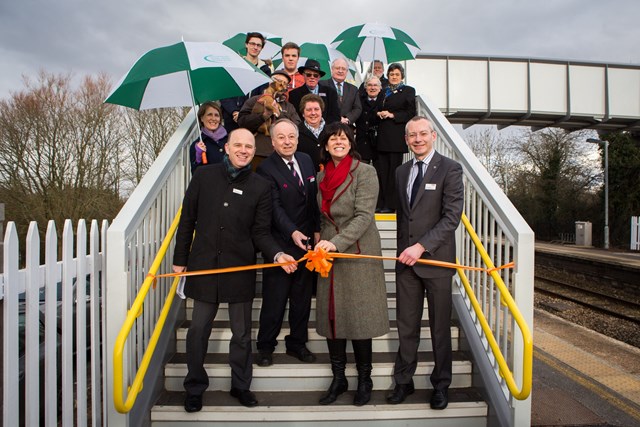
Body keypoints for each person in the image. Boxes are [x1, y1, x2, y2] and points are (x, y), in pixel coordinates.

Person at [173, 128, 298, 412]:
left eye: (249, 147)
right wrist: (180, 259)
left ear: (254, 151)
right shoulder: (204, 176)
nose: (243, 150)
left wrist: (278, 254)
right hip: (203, 267)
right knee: (197, 332)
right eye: (238, 145)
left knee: (241, 334)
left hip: (239, 268)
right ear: (227, 147)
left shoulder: (260, 186)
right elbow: (187, 220)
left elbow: (261, 232)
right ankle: (194, 386)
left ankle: (241, 385)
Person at [387, 116, 464, 410]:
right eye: (412, 135)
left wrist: (420, 246)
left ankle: (441, 385)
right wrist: (404, 251)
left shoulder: (450, 169)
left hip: (437, 262)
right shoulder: (401, 171)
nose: (417, 139)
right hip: (406, 264)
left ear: (433, 135)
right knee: (406, 326)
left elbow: (451, 218)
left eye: (422, 134)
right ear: (406, 140)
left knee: (440, 328)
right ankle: (403, 381)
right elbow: (402, 217)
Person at [314, 122, 389, 406]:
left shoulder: (365, 172)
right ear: (326, 144)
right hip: (328, 254)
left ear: (351, 143)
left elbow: (363, 216)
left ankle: (365, 379)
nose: (338, 141)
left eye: (343, 138)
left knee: (359, 318)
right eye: (333, 138)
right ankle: (339, 377)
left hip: (357, 251)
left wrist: (336, 243)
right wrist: (320, 240)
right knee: (332, 315)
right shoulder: (322, 176)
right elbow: (323, 218)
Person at [255, 119, 321, 367]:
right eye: (281, 137)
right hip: (280, 244)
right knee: (275, 299)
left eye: (291, 136)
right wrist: (293, 232)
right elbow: (274, 208)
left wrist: (315, 230)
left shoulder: (305, 160)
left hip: (307, 245)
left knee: (302, 298)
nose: (287, 141)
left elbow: (313, 199)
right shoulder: (265, 169)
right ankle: (265, 346)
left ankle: (297, 343)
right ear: (272, 142)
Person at [374, 63, 416, 213]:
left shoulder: (408, 91)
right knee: (381, 172)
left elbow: (411, 112)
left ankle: (391, 204)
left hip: (396, 137)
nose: (394, 77)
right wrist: (379, 113)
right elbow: (376, 108)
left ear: (402, 76)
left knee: (394, 172)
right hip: (382, 136)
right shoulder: (383, 92)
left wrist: (393, 115)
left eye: (397, 74)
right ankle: (381, 203)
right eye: (391, 74)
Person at [237, 70, 301, 168]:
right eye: (278, 81)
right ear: (270, 82)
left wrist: (279, 114)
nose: (281, 85)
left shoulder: (289, 107)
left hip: (282, 155)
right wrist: (263, 116)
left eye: (285, 83)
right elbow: (242, 122)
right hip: (258, 153)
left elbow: (296, 126)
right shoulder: (255, 100)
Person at [220, 32, 273, 133]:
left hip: (251, 118)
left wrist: (246, 114)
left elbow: (261, 96)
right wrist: (234, 111)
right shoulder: (235, 66)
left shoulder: (265, 70)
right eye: (252, 44)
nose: (255, 47)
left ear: (262, 48)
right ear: (246, 44)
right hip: (232, 117)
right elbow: (224, 92)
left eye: (258, 45)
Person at [288, 59, 341, 125]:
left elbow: (335, 116)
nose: (312, 77)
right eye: (308, 75)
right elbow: (295, 117)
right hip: (303, 133)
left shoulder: (330, 93)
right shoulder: (294, 94)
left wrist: (323, 129)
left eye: (315, 75)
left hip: (326, 131)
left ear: (319, 77)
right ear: (303, 75)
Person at [320, 58, 362, 127]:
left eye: (343, 69)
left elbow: (357, 108)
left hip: (346, 128)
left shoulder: (353, 89)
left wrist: (347, 118)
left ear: (347, 71)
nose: (340, 71)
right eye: (337, 68)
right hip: (327, 127)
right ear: (332, 69)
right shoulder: (321, 85)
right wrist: (336, 119)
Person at [189, 102, 228, 173]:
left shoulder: (230, 140)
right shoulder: (197, 145)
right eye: (209, 114)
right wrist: (198, 158)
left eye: (216, 115)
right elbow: (196, 175)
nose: (213, 118)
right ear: (202, 118)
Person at [354, 76, 383, 164]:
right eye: (369, 85)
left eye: (375, 85)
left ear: (380, 88)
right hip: (362, 142)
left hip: (379, 143)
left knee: (379, 173)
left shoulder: (385, 101)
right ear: (365, 88)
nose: (372, 88)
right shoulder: (359, 100)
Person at [296, 94, 326, 172]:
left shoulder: (332, 131)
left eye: (316, 109)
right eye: (309, 110)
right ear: (303, 113)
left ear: (321, 111)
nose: (313, 113)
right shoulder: (295, 133)